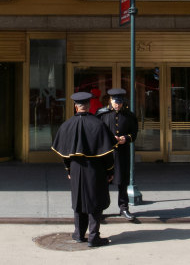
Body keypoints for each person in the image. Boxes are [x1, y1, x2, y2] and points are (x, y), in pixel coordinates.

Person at [51, 92, 117, 247]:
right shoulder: (98, 124)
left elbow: (64, 154)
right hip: (95, 170)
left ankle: (79, 234)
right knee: (96, 202)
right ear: (88, 106)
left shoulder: (67, 125)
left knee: (78, 201)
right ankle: (94, 237)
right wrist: (110, 171)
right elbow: (107, 153)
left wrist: (68, 170)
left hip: (75, 169)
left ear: (76, 106)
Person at [96, 88, 138, 221]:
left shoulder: (129, 116)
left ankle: (124, 208)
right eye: (115, 102)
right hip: (106, 153)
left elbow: (134, 133)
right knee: (103, 182)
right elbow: (96, 133)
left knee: (123, 182)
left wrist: (126, 138)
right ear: (110, 100)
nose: (117, 105)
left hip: (122, 153)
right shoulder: (102, 114)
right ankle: (99, 209)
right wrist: (109, 138)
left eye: (119, 102)